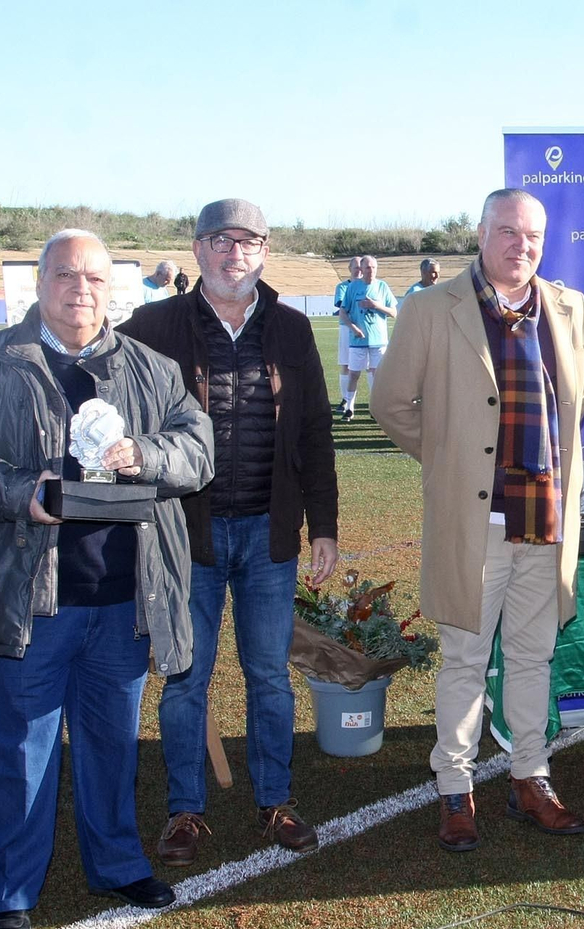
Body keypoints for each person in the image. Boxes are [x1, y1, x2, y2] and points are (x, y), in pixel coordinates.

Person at [0, 230, 214, 929]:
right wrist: (22, 492)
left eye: (95, 279)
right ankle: (10, 886)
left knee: (112, 745)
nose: (80, 290)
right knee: (23, 749)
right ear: (39, 282)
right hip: (32, 600)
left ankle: (115, 862)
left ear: (114, 290)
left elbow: (198, 450)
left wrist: (147, 452)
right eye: (65, 276)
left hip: (123, 600)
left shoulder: (150, 368)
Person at [120, 198, 340, 867]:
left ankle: (275, 798)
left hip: (269, 538)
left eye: (246, 241)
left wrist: (323, 525)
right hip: (189, 537)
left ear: (265, 252)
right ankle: (185, 811)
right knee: (185, 678)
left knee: (269, 677)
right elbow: (88, 349)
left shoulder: (293, 330)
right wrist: (9, 338)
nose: (232, 252)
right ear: (197, 251)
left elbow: (314, 434)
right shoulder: (156, 325)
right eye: (219, 240)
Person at [374, 189, 584, 852]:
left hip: (546, 518)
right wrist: (449, 461)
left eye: (531, 235)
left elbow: (577, 401)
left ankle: (530, 775)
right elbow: (391, 403)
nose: (519, 245)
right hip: (478, 523)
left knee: (533, 656)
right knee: (466, 661)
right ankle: (455, 786)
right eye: (506, 232)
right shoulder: (430, 308)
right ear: (480, 232)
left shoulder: (570, 308)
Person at [338, 255, 396, 421]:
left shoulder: (382, 286)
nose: (371, 271)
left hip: (379, 341)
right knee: (354, 374)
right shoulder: (353, 287)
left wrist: (375, 305)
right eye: (368, 268)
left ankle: (375, 408)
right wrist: (353, 327)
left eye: (374, 268)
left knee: (378, 376)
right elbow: (343, 312)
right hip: (358, 341)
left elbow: (393, 312)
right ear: (361, 269)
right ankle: (349, 408)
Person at [333, 257, 361, 413]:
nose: (358, 270)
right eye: (355, 267)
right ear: (349, 268)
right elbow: (344, 305)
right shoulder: (343, 286)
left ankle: (373, 404)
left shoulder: (371, 286)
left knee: (372, 368)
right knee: (346, 365)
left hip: (366, 330)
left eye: (360, 266)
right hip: (347, 328)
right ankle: (345, 399)